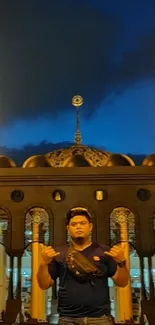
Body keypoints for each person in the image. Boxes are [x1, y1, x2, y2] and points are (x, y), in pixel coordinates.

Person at [37, 207, 129, 325]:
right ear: (68, 229)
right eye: (74, 224)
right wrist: (42, 263)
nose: (78, 226)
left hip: (100, 318)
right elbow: (44, 285)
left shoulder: (104, 251)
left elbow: (122, 282)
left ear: (90, 227)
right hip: (67, 318)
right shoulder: (58, 253)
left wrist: (121, 262)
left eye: (82, 223)